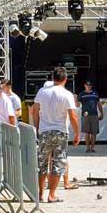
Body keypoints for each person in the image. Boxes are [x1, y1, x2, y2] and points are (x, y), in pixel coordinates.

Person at [31, 67, 80, 203]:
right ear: (65, 79)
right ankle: (52, 194)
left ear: (53, 78)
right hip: (60, 131)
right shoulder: (67, 94)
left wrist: (37, 127)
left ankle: (40, 193)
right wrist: (77, 134)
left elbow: (34, 111)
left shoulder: (42, 92)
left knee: (41, 163)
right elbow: (73, 115)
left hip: (44, 131)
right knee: (58, 163)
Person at [78, 80, 102, 153]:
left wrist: (102, 113)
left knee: (94, 132)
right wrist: (75, 99)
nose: (88, 86)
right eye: (87, 85)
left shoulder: (95, 94)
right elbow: (78, 105)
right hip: (85, 115)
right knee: (87, 132)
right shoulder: (81, 94)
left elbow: (99, 104)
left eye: (89, 85)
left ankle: (93, 147)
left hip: (94, 115)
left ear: (91, 86)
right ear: (84, 85)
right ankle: (88, 148)